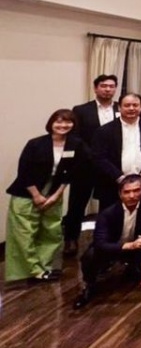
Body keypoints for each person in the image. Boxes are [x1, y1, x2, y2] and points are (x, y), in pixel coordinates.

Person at [6, 109, 88, 282]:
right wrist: (36, 195)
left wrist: (57, 195)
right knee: (24, 234)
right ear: (51, 123)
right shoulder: (35, 144)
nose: (63, 125)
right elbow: (24, 172)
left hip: (54, 193)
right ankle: (33, 270)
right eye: (58, 121)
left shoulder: (76, 144)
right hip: (27, 193)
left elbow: (72, 172)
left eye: (68, 122)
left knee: (51, 232)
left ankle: (45, 266)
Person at [73, 175, 141, 309]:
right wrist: (129, 245)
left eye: (136, 190)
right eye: (127, 192)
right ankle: (89, 285)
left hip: (140, 245)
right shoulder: (107, 213)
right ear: (120, 194)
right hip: (115, 247)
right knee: (90, 255)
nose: (132, 196)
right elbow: (100, 243)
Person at [66, 75, 119, 255]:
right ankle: (71, 239)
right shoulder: (81, 110)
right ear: (96, 88)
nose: (108, 89)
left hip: (110, 166)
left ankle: (104, 239)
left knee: (108, 204)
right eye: (103, 86)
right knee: (77, 203)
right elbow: (75, 137)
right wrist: (94, 155)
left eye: (111, 86)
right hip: (85, 165)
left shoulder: (121, 108)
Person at [91, 93, 141, 210]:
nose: (131, 108)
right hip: (113, 184)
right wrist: (120, 177)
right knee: (111, 218)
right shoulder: (105, 130)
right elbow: (99, 157)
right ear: (119, 107)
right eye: (127, 105)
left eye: (135, 105)